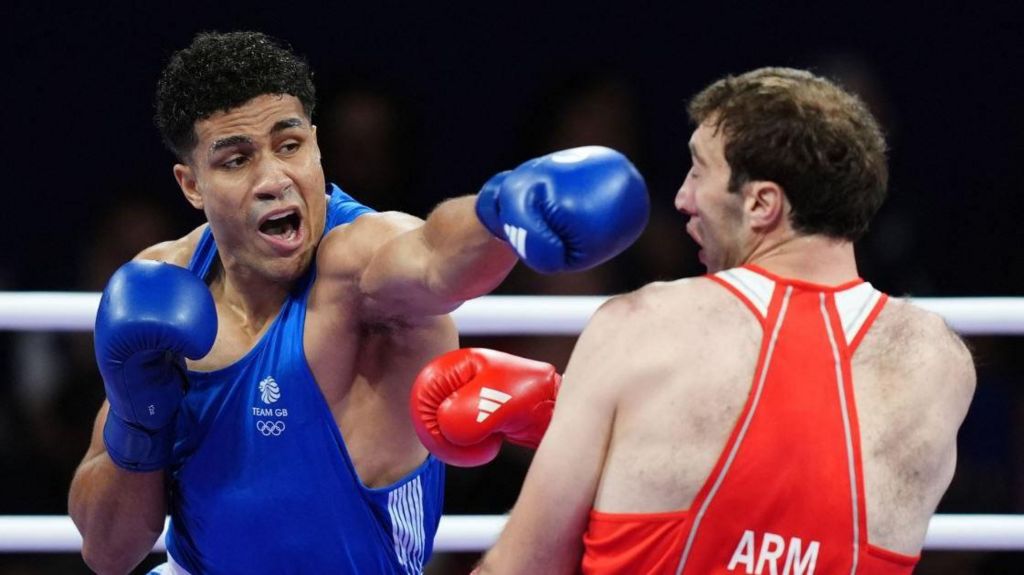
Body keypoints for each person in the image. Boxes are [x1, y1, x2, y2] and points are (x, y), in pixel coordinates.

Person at [67, 30, 649, 575]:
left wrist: (497, 213)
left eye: (289, 145)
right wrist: (136, 414)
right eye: (236, 159)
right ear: (192, 184)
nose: (274, 179)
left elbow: (431, 257)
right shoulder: (161, 284)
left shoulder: (355, 266)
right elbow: (108, 550)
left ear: (317, 147)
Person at [414, 67, 976, 574]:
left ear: (762, 205)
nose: (681, 198)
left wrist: (592, 422)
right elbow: (798, 483)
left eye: (699, 171)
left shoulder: (641, 327)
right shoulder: (940, 364)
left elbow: (524, 566)